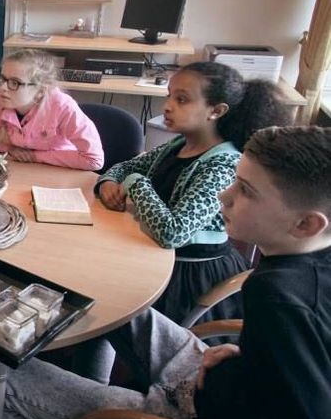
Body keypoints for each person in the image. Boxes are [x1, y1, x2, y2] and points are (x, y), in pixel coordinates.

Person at [0, 126, 331, 419]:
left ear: (306, 224)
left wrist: (226, 383)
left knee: (6, 379)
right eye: (235, 180)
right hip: (226, 387)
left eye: (246, 191)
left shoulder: (278, 297)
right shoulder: (306, 266)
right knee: (111, 300)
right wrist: (244, 360)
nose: (225, 195)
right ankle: (89, 394)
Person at [96, 61, 289, 324]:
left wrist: (135, 182)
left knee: (106, 310)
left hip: (189, 274)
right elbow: (126, 166)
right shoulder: (178, 145)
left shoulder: (223, 164)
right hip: (151, 254)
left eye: (182, 99)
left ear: (216, 110)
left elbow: (173, 232)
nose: (167, 106)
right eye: (169, 96)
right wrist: (107, 182)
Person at [0, 49, 103, 171]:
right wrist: (9, 148)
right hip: (16, 168)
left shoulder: (63, 107)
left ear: (40, 90)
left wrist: (35, 156)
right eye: (3, 79)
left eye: (15, 82)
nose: (3, 88)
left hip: (58, 171)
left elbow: (94, 160)